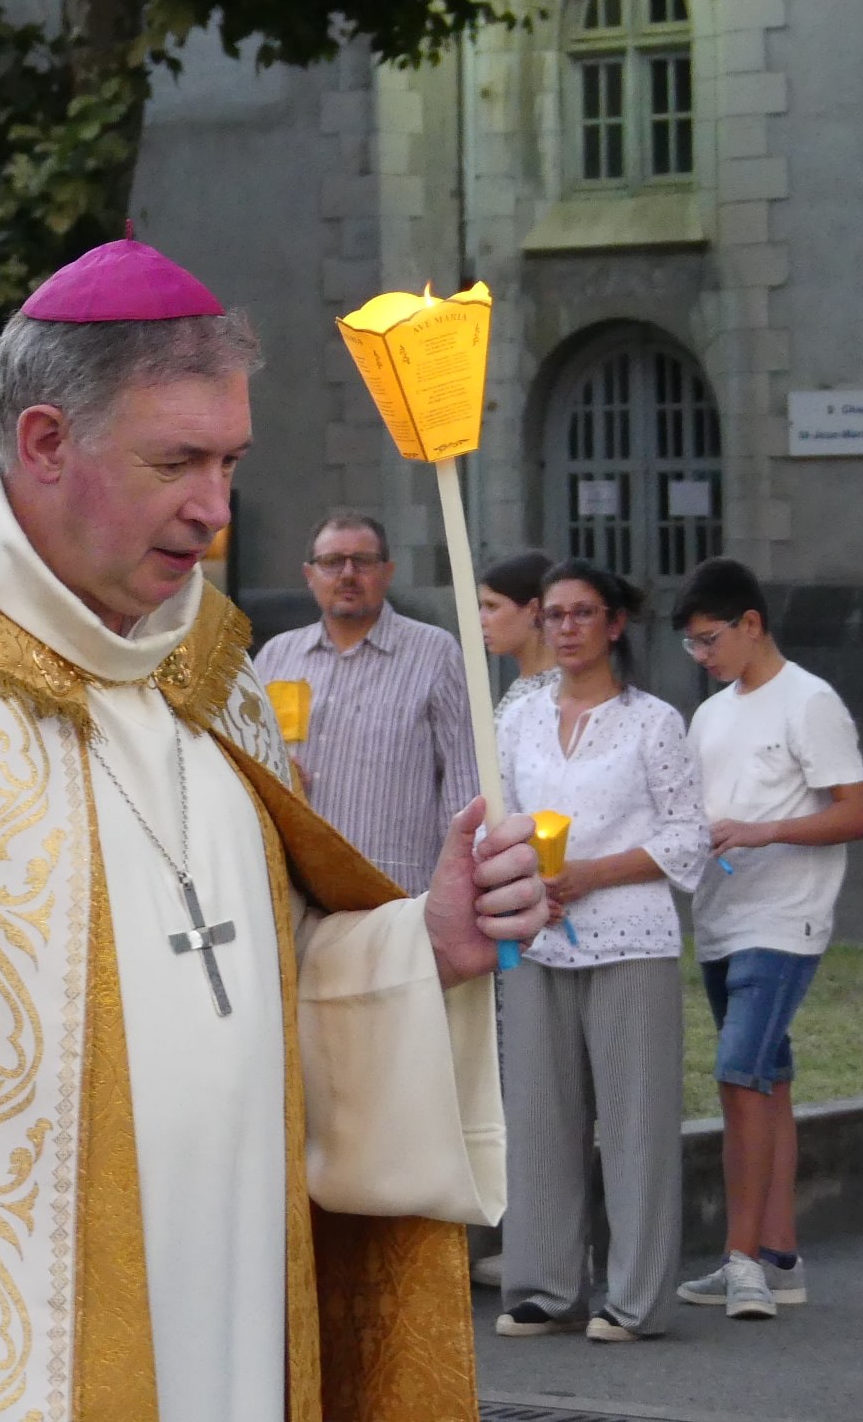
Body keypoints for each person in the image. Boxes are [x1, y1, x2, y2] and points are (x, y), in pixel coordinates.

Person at [0, 236, 549, 1420]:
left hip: (233, 1284)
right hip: (0, 1347)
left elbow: (260, 974)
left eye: (230, 462)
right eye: (175, 462)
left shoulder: (208, 667)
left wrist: (419, 943)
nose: (213, 509)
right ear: (43, 443)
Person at [493, 559, 710, 1343]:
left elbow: (688, 833)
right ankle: (546, 1287)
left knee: (634, 1120)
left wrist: (589, 874)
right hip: (537, 936)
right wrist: (529, 880)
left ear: (614, 624)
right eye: (554, 614)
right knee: (540, 1117)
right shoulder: (516, 717)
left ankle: (635, 1296)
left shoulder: (654, 721)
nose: (568, 627)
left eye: (585, 613)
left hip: (630, 937)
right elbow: (500, 815)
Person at [672, 559, 863, 1319]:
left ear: (752, 623)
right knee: (768, 1082)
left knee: (738, 1076)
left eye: (709, 640)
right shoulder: (711, 714)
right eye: (692, 645)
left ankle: (742, 1258)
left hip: (785, 920)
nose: (702, 656)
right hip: (722, 917)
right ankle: (780, 1255)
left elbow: (860, 812)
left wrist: (765, 830)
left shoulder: (810, 701)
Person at [254, 512, 480, 891]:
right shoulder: (277, 656)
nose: (346, 574)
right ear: (309, 576)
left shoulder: (434, 652)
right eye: (331, 562)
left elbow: (463, 783)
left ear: (387, 572)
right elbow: (247, 758)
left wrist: (461, 887)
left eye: (362, 561)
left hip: (393, 889)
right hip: (294, 885)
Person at [481, 549, 558, 723]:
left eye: (492, 606)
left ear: (532, 609)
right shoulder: (524, 683)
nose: (482, 620)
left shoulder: (557, 695)